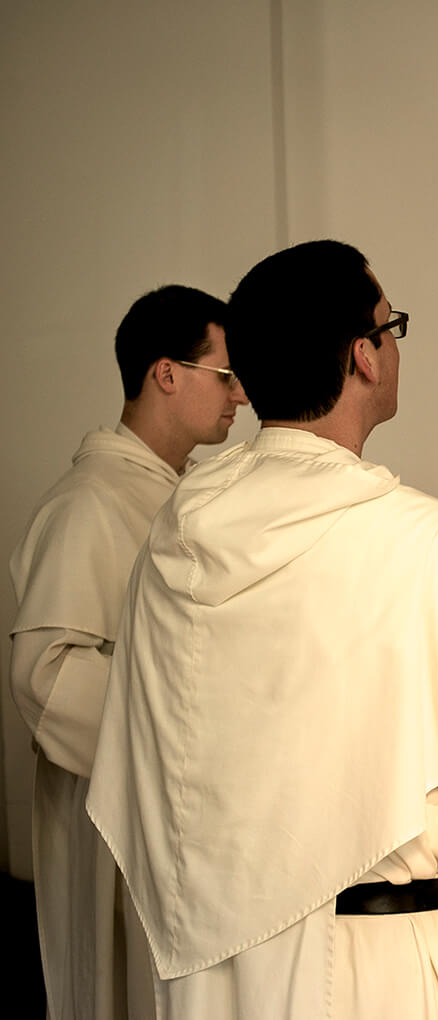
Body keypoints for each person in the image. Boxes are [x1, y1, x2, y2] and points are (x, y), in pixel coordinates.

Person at [82, 241, 438, 1019]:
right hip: (374, 964)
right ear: (365, 357)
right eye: (391, 327)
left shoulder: (175, 538)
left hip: (213, 972)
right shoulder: (424, 543)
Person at [9, 284, 247, 1020]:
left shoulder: (185, 497)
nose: (241, 395)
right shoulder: (90, 501)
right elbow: (45, 678)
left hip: (190, 823)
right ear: (165, 373)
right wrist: (180, 719)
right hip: (117, 824)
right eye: (226, 375)